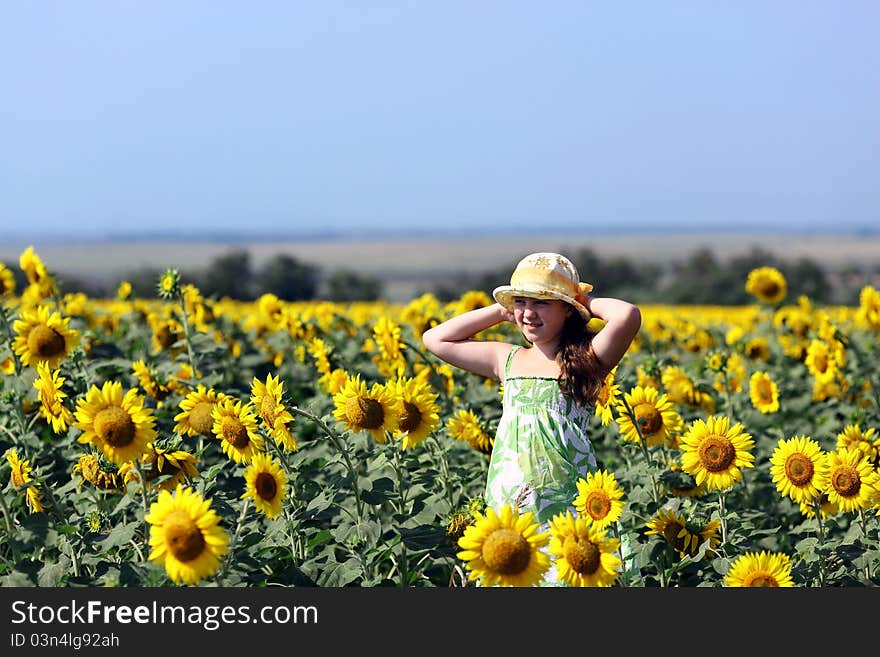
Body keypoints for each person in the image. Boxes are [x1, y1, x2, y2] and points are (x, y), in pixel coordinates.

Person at [422, 251, 641, 585]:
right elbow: (434, 339)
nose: (528, 313)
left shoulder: (587, 359)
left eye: (542, 303)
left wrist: (583, 299)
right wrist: (501, 311)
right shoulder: (506, 359)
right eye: (521, 302)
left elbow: (627, 315)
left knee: (567, 573)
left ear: (567, 309)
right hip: (510, 493)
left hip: (565, 494)